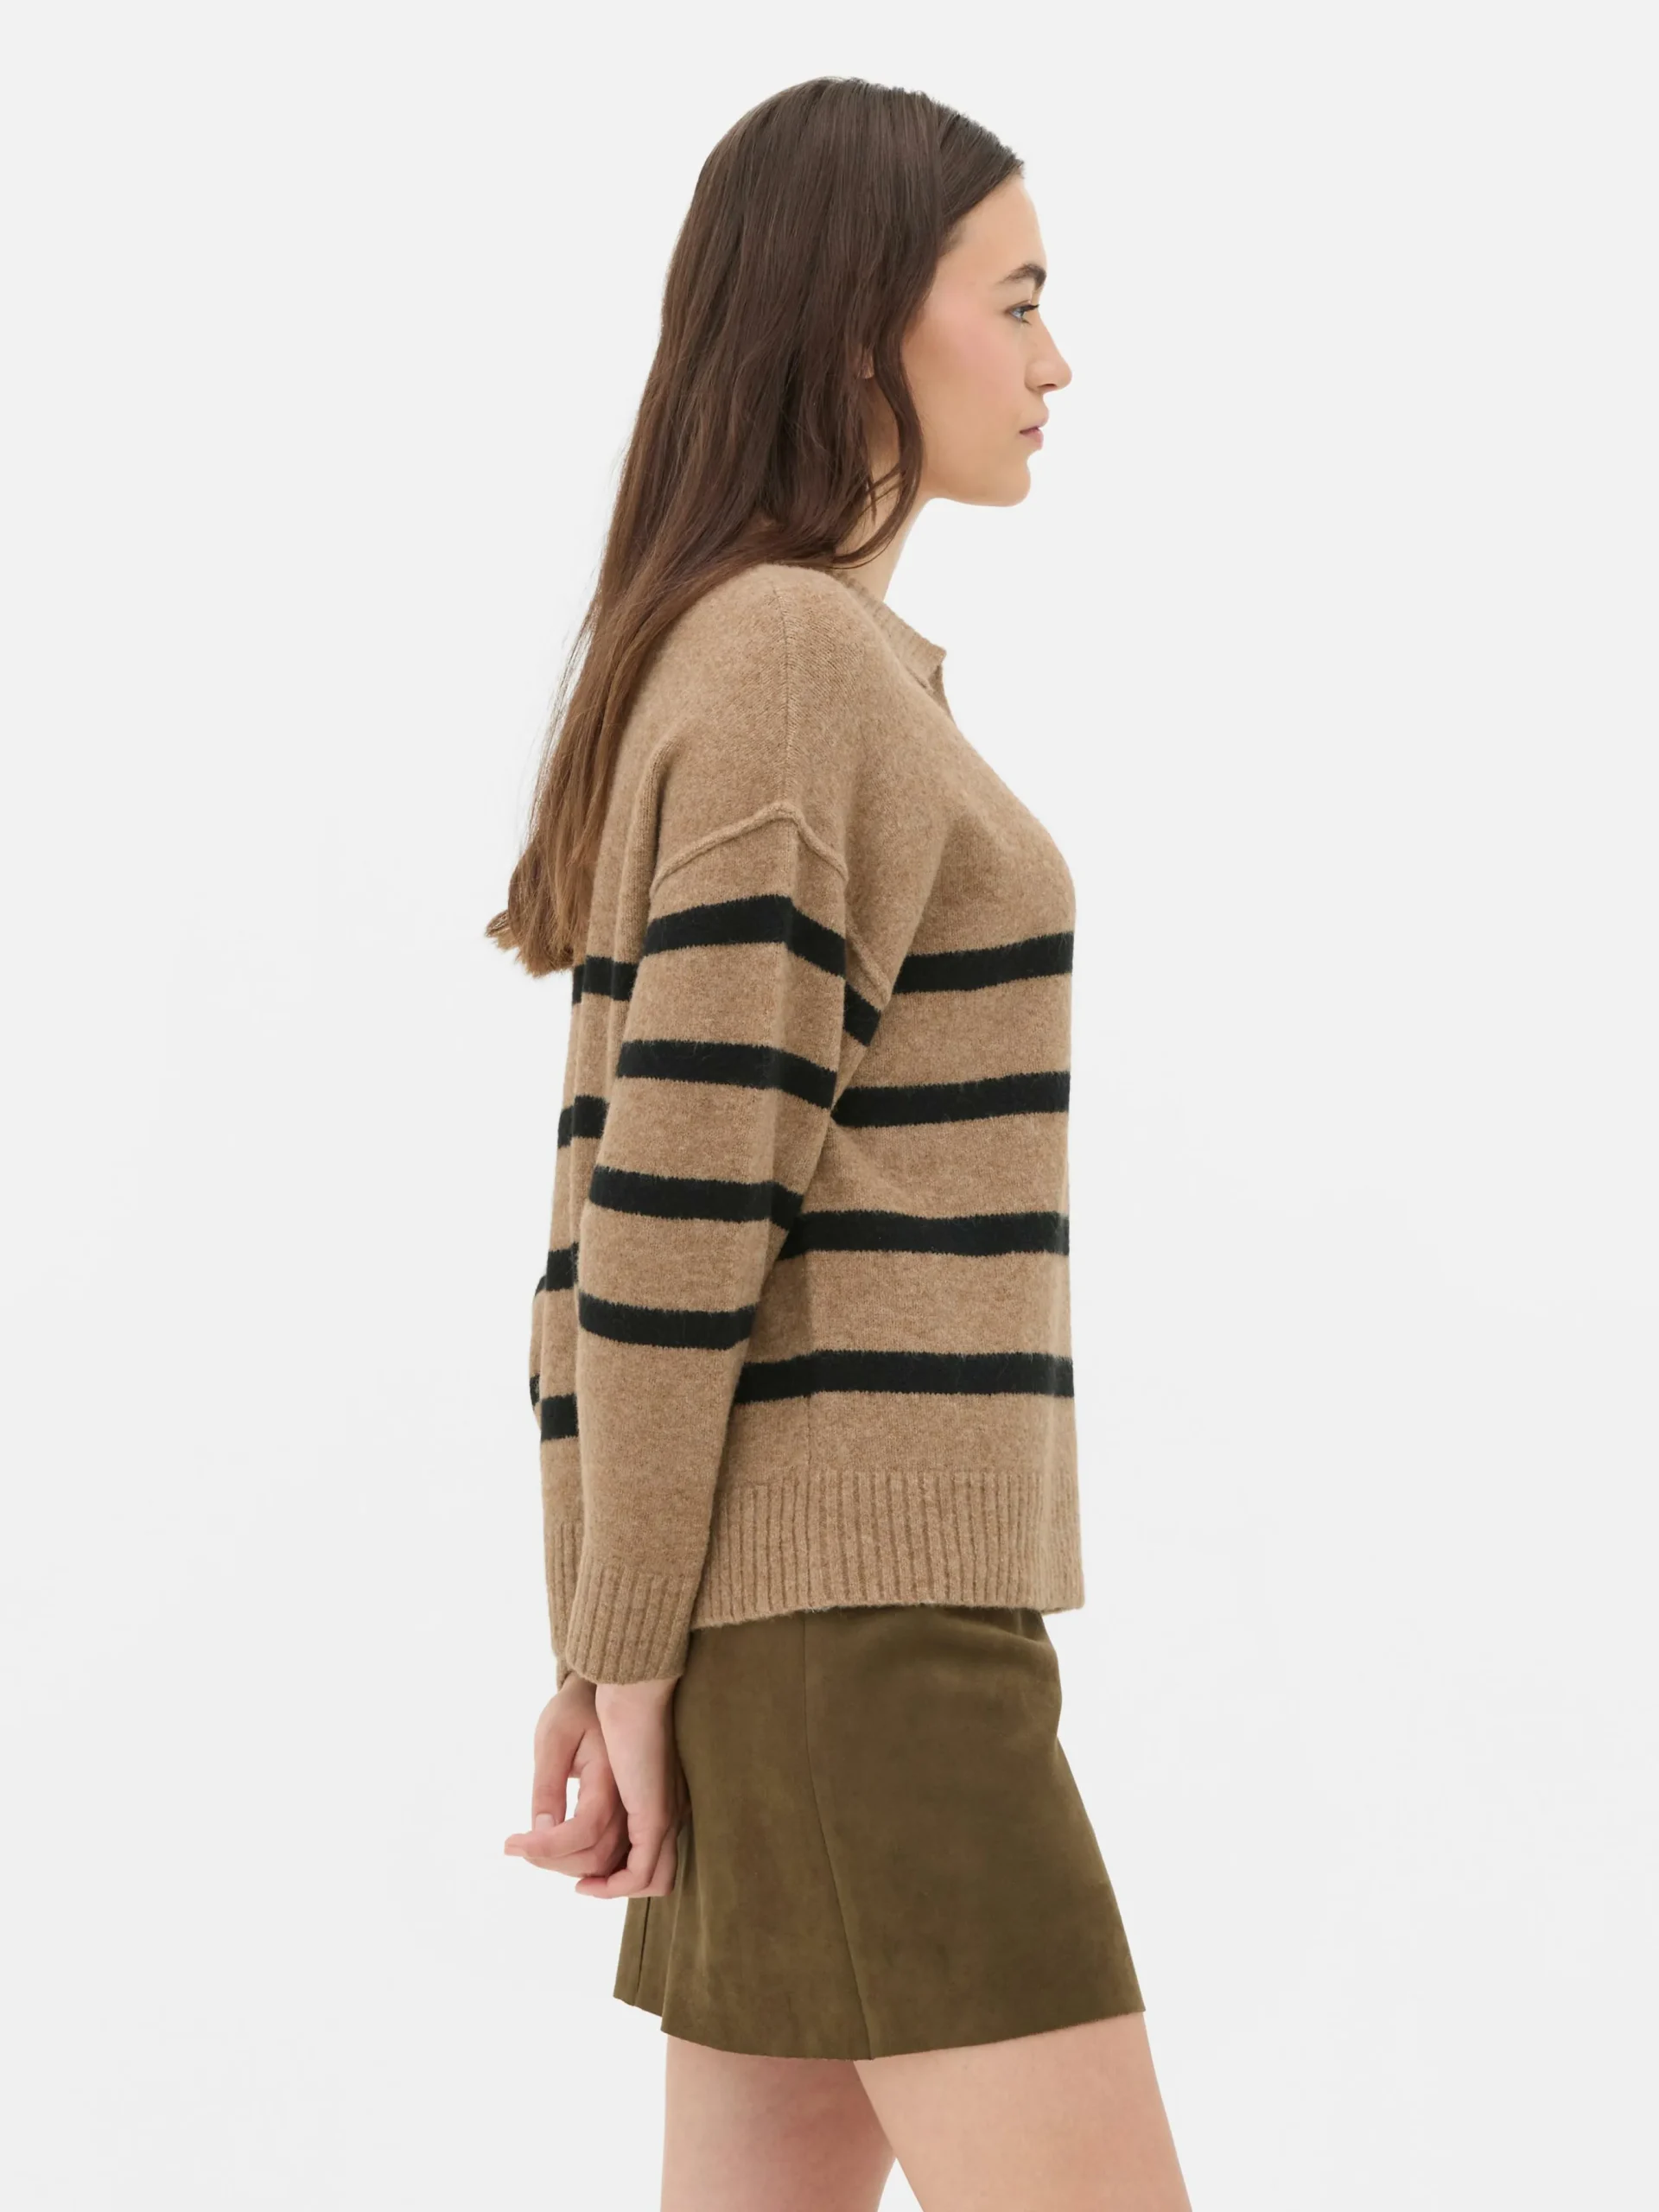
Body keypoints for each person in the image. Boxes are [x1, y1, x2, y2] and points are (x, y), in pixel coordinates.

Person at [492, 75, 1192, 2212]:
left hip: (805, 1628)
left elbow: (619, 1204)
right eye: (1019, 299)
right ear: (864, 316)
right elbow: (663, 1220)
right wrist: (620, 1646)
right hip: (862, 1647)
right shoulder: (792, 658)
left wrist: (615, 1634)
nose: (1058, 360)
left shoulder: (787, 654)